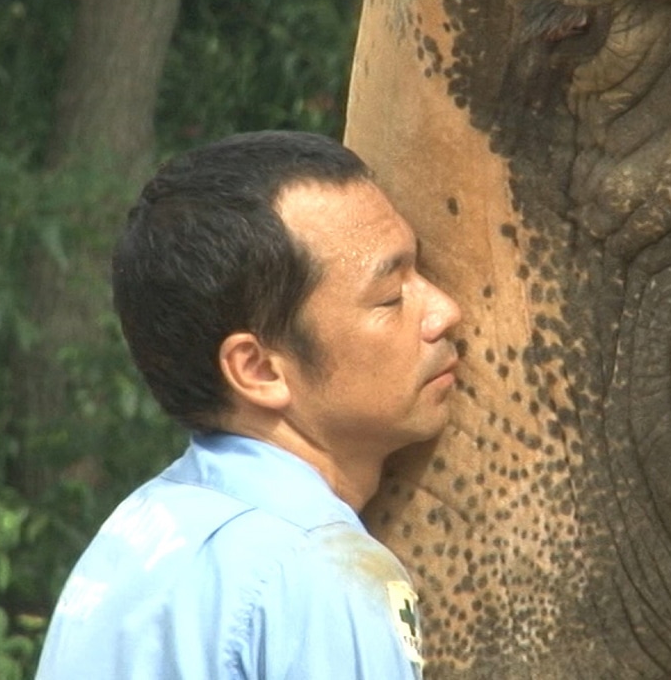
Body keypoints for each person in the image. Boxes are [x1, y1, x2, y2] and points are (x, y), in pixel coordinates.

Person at [34, 131, 462, 680]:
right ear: (259, 369)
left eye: (421, 273)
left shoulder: (136, 532)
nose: (444, 311)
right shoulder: (318, 567)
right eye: (390, 297)